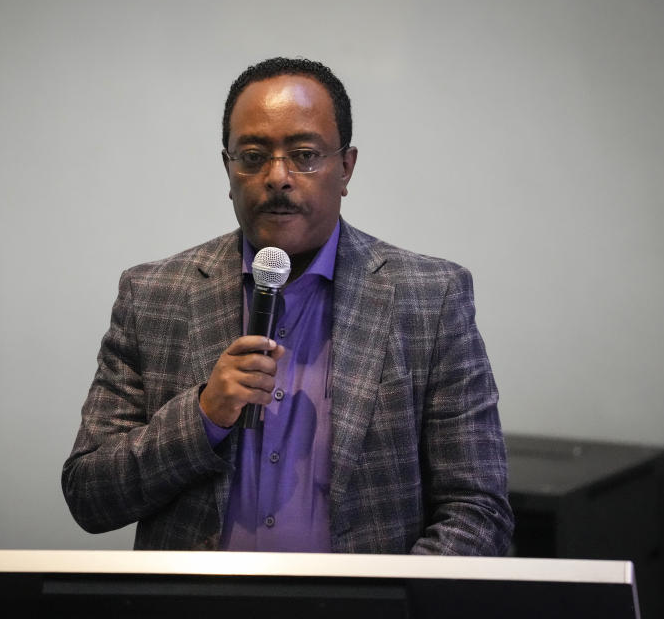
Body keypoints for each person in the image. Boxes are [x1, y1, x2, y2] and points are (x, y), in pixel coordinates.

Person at [62, 57, 513, 555]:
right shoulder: (153, 295)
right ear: (228, 170)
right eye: (252, 156)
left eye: (303, 155)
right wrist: (203, 416)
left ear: (345, 167)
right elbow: (89, 496)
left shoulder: (430, 297)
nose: (277, 177)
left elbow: (477, 512)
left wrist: (389, 604)